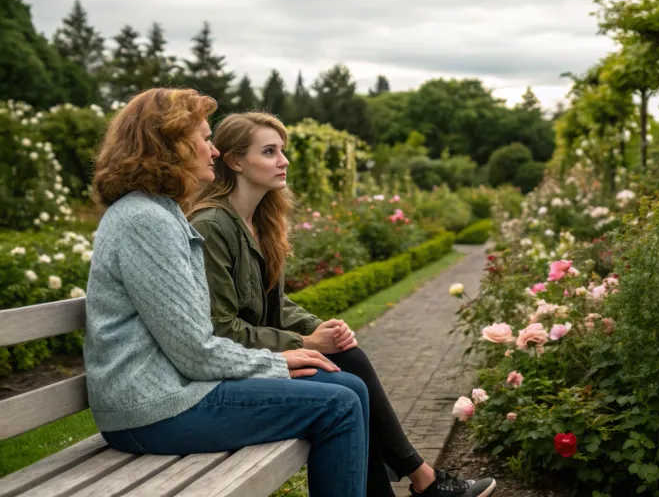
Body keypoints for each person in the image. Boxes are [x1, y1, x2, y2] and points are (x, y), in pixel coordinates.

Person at [189, 111, 497, 497]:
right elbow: (221, 327)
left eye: (282, 150)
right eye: (269, 152)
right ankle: (423, 478)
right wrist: (307, 344)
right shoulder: (212, 226)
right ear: (235, 161)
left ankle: (421, 479)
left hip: (258, 356)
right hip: (231, 369)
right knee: (347, 389)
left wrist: (323, 327)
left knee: (350, 356)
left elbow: (276, 302)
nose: (283, 161)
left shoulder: (261, 219)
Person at [83, 88, 368, 497]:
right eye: (202, 138)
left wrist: (281, 356)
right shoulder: (146, 221)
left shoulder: (158, 213)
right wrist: (276, 362)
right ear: (169, 146)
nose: (213, 151)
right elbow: (196, 351)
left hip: (172, 394)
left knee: (349, 385)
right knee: (337, 405)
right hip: (152, 411)